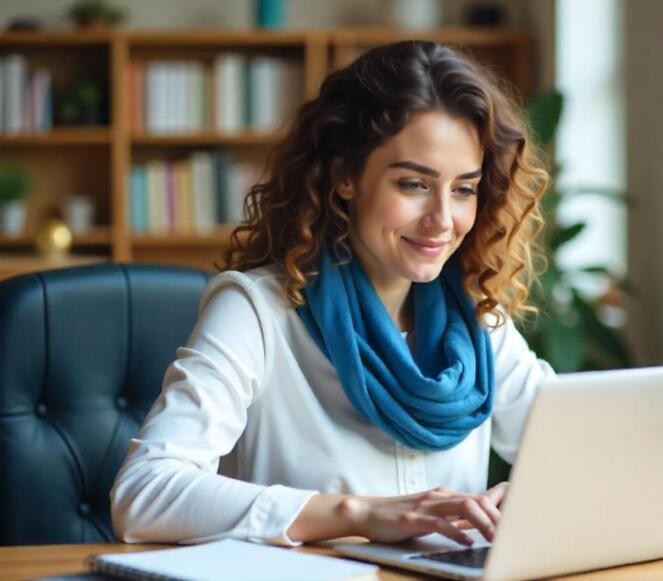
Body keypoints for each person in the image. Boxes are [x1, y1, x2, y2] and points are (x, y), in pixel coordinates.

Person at [111, 40, 555, 548]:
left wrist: (525, 498)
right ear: (345, 176)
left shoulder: (478, 322)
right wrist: (357, 514)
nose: (442, 220)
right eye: (413, 184)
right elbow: (144, 493)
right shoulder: (258, 311)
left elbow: (579, 452)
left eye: (463, 190)